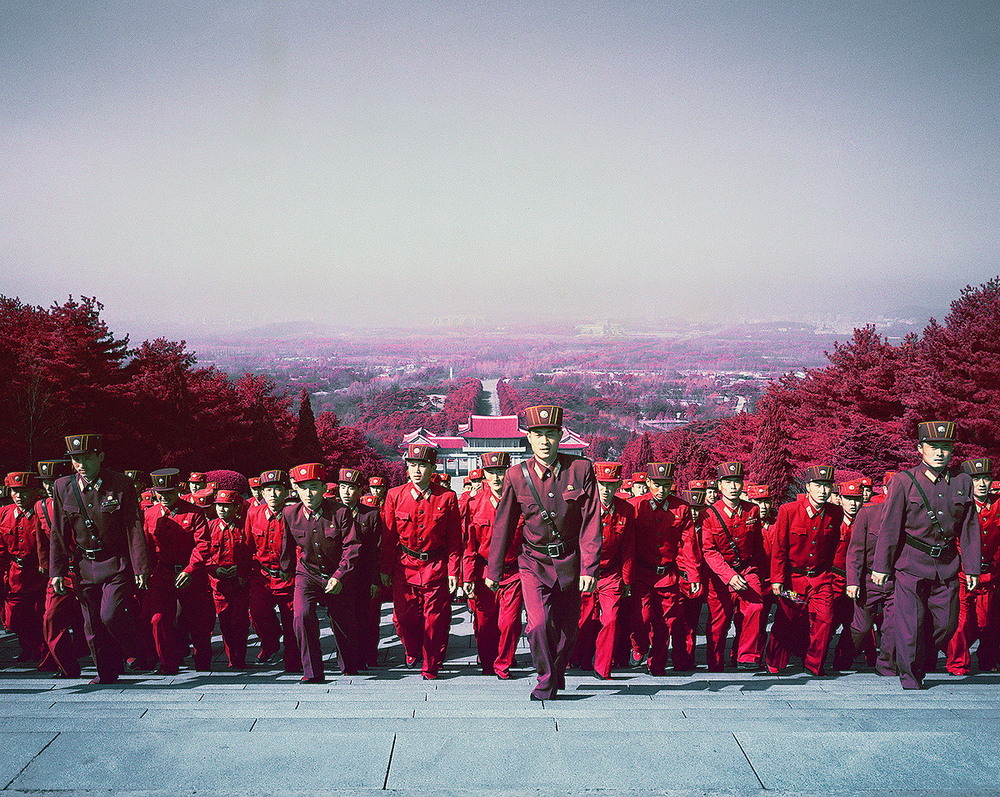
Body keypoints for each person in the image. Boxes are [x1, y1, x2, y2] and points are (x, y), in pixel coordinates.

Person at [486, 406, 601, 700]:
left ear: (560, 436)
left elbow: (591, 522)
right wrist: (494, 571)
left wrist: (589, 569)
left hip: (571, 561)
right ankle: (545, 679)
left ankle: (557, 670)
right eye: (538, 434)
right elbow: (504, 525)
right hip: (533, 561)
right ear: (529, 438)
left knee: (567, 629)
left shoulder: (581, 469)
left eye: (550, 434)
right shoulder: (516, 475)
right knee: (537, 624)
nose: (544, 441)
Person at [873, 422, 981, 689]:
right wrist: (881, 566)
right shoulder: (903, 481)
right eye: (933, 447)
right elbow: (890, 528)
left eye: (946, 447)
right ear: (920, 449)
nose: (940, 452)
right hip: (910, 563)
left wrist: (972, 568)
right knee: (910, 625)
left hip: (946, 565)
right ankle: (910, 676)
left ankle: (917, 656)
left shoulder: (962, 481)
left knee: (947, 624)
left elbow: (969, 529)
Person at [50, 434, 150, 684]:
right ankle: (107, 672)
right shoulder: (63, 486)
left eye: (87, 457)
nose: (81, 464)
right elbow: (59, 532)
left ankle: (138, 651)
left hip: (116, 562)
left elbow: (133, 528)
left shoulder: (121, 484)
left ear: (100, 457)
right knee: (92, 625)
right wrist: (57, 571)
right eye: (76, 459)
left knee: (111, 614)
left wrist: (140, 567)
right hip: (84, 566)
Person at [381, 444, 462, 680]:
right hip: (404, 565)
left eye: (423, 466)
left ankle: (431, 665)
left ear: (432, 468)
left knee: (435, 620)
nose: (417, 470)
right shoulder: (394, 495)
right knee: (404, 619)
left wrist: (454, 572)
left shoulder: (447, 497)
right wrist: (385, 569)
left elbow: (454, 540)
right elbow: (388, 538)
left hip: (435, 566)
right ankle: (411, 649)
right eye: (412, 465)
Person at [281, 462, 360, 683]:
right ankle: (312, 672)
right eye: (303, 487)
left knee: (342, 623)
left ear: (323, 487)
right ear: (296, 489)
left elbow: (351, 547)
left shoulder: (340, 512)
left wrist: (340, 576)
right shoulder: (289, 513)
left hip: (337, 574)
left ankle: (348, 665)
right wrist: (285, 571)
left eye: (314, 487)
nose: (308, 493)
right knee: (302, 616)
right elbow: (286, 546)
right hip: (307, 574)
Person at [768, 465, 843, 676]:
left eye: (827, 486)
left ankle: (814, 664)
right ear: (808, 487)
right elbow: (779, 548)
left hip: (820, 579)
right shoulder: (789, 511)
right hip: (793, 579)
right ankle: (775, 660)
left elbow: (834, 546)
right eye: (818, 485)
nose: (823, 491)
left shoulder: (835, 512)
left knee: (826, 619)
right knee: (787, 618)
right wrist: (777, 580)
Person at [629, 462, 701, 676]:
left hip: (668, 574)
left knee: (666, 621)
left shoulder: (681, 508)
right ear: (648, 482)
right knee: (642, 617)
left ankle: (657, 663)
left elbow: (689, 544)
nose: (661, 490)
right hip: (641, 573)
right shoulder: (635, 506)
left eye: (666, 485)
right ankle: (639, 646)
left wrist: (694, 575)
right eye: (657, 484)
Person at [143, 468, 214, 674]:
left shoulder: (195, 513)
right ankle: (167, 664)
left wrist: (190, 570)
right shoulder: (149, 514)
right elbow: (146, 547)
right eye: (160, 493)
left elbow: (202, 545)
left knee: (198, 623)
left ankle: (202, 664)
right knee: (158, 619)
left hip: (191, 575)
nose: (164, 497)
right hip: (162, 574)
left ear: (179, 490)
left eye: (169, 492)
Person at [463, 451, 524, 679]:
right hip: (484, 570)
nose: (496, 478)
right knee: (485, 622)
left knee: (509, 622)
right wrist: (467, 577)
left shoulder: (521, 503)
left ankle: (503, 664)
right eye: (491, 472)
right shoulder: (474, 505)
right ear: (484, 474)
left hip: (513, 572)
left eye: (501, 472)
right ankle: (488, 661)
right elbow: (469, 545)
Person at [701, 462, 766, 672]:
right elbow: (709, 551)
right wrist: (728, 576)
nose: (733, 487)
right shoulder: (709, 514)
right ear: (720, 486)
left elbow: (757, 546)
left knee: (756, 607)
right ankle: (715, 661)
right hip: (719, 576)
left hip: (747, 570)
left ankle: (747, 656)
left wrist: (760, 574)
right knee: (719, 622)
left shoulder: (752, 510)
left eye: (737, 482)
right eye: (728, 483)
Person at [573, 461, 634, 679]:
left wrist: (626, 580)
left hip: (611, 574)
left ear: (618, 486)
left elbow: (628, 547)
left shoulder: (626, 510)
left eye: (611, 485)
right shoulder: (581, 507)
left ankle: (603, 667)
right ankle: (579, 658)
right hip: (585, 572)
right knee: (585, 619)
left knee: (610, 619)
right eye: (602, 485)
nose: (606, 490)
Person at [944, 457, 1000, 674]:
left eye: (986, 479)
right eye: (977, 480)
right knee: (961, 622)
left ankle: (988, 660)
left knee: (987, 622)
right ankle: (957, 663)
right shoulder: (958, 507)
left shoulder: (997, 504)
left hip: (991, 575)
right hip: (962, 573)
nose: (982, 484)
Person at [244, 469, 301, 671]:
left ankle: (292, 660)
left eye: (278, 489)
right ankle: (270, 643)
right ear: (262, 492)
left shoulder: (294, 514)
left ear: (285, 492)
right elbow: (248, 545)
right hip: (262, 576)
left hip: (289, 578)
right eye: (268, 490)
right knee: (258, 614)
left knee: (291, 622)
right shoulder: (253, 513)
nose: (273, 494)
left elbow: (301, 547)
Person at [34, 459, 85, 678]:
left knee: (98, 619)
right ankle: (67, 667)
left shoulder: (83, 500)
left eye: (53, 481)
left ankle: (114, 661)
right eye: (45, 481)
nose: (48, 486)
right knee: (51, 619)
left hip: (88, 568)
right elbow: (43, 543)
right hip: (61, 574)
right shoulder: (41, 506)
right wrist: (50, 570)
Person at [338, 466, 385, 671]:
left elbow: (377, 549)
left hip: (365, 575)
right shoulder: (332, 512)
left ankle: (369, 655)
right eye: (342, 487)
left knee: (367, 617)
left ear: (359, 491)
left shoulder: (371, 515)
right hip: (341, 575)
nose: (346, 492)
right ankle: (349, 657)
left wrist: (375, 579)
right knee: (344, 618)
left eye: (351, 488)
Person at [0, 472, 46, 663]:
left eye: (24, 491)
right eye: (15, 491)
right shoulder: (4, 513)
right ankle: (29, 645)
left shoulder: (42, 511)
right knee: (14, 618)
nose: (19, 496)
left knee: (41, 615)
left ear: (35, 491)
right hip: (16, 574)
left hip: (40, 572)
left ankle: (41, 651)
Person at [205, 489, 252, 669]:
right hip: (218, 583)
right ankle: (231, 657)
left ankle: (240, 657)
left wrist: (240, 570)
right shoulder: (210, 527)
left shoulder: (244, 527)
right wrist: (215, 570)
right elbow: (203, 552)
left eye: (226, 506)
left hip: (240, 582)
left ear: (236, 507)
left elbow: (251, 552)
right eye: (219, 506)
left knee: (240, 621)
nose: (222, 510)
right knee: (224, 621)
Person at [830, 480, 865, 670]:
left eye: (856, 499)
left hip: (857, 580)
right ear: (840, 500)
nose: (853, 504)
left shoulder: (865, 521)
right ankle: (814, 657)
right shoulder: (832, 522)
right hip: (834, 578)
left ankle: (843, 658)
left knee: (853, 623)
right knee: (828, 621)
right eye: (848, 499)